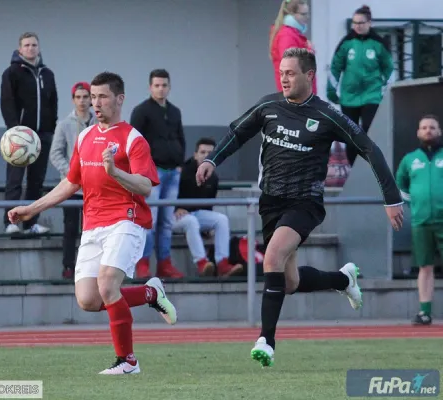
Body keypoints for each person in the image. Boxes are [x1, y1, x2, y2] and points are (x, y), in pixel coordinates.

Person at [196, 48, 404, 367]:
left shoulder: (327, 114)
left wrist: (391, 198)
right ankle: (343, 280)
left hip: (304, 203)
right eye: (281, 73)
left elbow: (369, 148)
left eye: (290, 73)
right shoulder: (269, 105)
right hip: (271, 202)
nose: (284, 78)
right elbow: (237, 134)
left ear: (310, 76)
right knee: (288, 282)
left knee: (274, 255)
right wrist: (212, 159)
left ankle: (266, 340)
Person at [7, 72, 177, 375]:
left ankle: (128, 362)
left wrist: (114, 172)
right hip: (93, 224)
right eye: (93, 97)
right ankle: (150, 294)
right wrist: (32, 209)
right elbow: (71, 183)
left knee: (108, 284)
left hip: (126, 220)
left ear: (119, 99)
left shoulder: (132, 138)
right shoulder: (85, 137)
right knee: (88, 300)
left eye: (102, 97)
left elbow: (145, 186)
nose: (96, 103)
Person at [0, 32, 58, 235]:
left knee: (37, 181)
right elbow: (7, 103)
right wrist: (16, 129)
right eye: (27, 45)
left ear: (39, 48)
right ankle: (11, 222)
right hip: (21, 138)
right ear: (20, 48)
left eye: (34, 45)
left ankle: (31, 222)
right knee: (15, 181)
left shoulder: (47, 74)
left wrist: (50, 129)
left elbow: (53, 103)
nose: (31, 48)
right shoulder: (12, 73)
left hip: (42, 136)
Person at [130, 69, 185, 279]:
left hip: (173, 174)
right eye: (157, 85)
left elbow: (181, 137)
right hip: (152, 175)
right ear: (150, 87)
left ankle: (165, 264)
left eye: (164, 85)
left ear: (169, 87)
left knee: (167, 222)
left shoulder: (175, 111)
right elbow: (134, 142)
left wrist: (180, 164)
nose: (161, 89)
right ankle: (142, 264)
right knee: (149, 221)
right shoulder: (141, 111)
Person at [327, 5, 394, 167]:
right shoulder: (346, 43)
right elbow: (335, 67)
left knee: (369, 130)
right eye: (355, 23)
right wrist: (331, 89)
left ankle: (371, 166)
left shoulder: (378, 43)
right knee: (350, 135)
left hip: (372, 95)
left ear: (369, 23)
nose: (357, 26)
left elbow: (389, 68)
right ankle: (353, 168)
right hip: (349, 97)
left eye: (361, 23)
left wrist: (385, 88)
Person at [173, 137, 244, 277]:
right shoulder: (182, 171)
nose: (206, 156)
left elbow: (208, 207)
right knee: (190, 221)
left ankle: (223, 264)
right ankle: (202, 264)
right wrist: (176, 207)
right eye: (202, 152)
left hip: (195, 215)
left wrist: (206, 229)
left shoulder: (213, 177)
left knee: (221, 219)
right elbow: (168, 194)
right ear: (195, 154)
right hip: (173, 216)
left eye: (209, 153)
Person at [395, 114, 442, 326]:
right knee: (425, 267)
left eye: (432, 127)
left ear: (439, 131)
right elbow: (401, 184)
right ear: (418, 132)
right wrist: (414, 206)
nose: (428, 131)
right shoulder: (410, 159)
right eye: (424, 127)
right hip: (420, 221)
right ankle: (424, 313)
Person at [49, 81, 97, 279]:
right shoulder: (65, 124)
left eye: (86, 97)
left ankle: (89, 268)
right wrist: (72, 172)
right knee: (70, 228)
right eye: (78, 97)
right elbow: (55, 153)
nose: (82, 101)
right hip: (71, 188)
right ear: (73, 100)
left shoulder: (99, 122)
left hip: (95, 187)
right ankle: (69, 266)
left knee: (91, 230)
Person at [269, 0, 316, 94]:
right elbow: (290, 65)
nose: (307, 17)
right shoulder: (287, 35)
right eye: (303, 14)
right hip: (296, 94)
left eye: (307, 14)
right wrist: (309, 52)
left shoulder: (292, 34)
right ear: (291, 15)